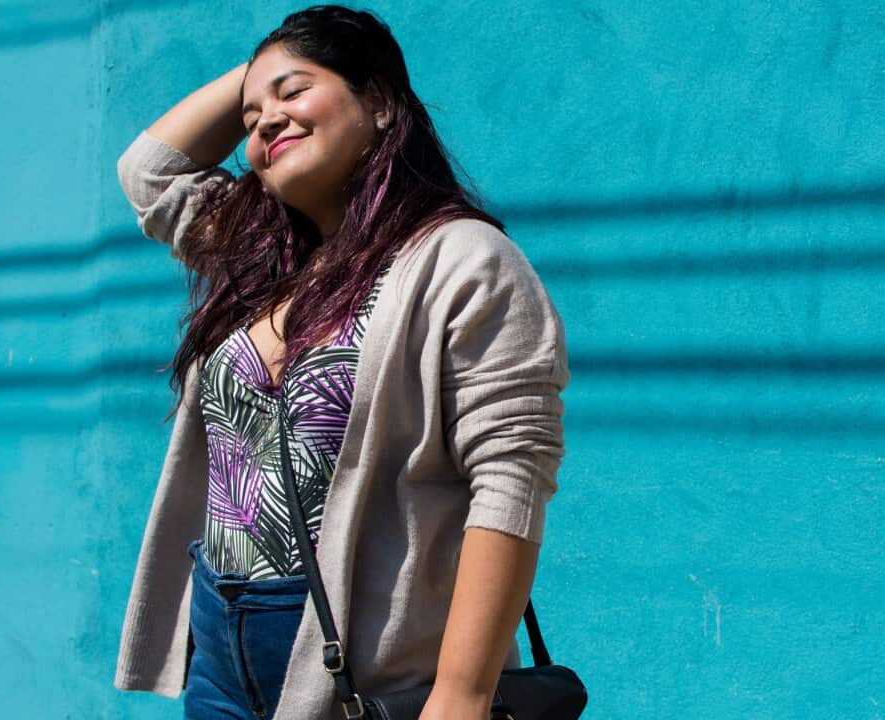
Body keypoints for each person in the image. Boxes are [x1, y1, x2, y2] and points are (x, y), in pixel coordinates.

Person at [111, 6, 570, 720]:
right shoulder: (255, 261)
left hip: (364, 653)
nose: (264, 121)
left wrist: (461, 694)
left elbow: (511, 476)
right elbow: (150, 172)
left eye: (294, 93)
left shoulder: (463, 261)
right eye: (251, 112)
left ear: (381, 102)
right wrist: (269, 72)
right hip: (219, 640)